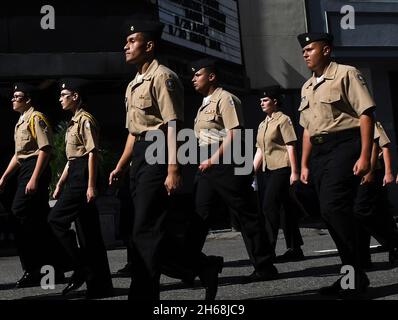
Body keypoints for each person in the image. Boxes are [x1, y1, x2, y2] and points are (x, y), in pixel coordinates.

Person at [185, 58, 278, 291]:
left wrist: (213, 160)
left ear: (212, 76)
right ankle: (189, 268)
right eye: (193, 75)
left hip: (227, 161)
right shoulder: (204, 104)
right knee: (199, 215)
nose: (193, 78)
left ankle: (265, 266)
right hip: (207, 163)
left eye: (198, 74)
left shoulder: (225, 99)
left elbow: (234, 134)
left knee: (246, 216)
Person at [108, 20, 184, 300]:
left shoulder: (163, 77)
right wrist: (120, 165)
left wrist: (173, 168)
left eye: (132, 41)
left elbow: (173, 124)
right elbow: (133, 132)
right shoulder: (133, 84)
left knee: (146, 227)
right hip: (140, 154)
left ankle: (144, 296)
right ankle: (200, 265)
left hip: (159, 149)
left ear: (149, 46)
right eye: (126, 42)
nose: (125, 46)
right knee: (140, 226)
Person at [297, 32, 375, 297]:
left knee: (332, 208)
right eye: (303, 50)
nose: (305, 53)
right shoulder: (307, 87)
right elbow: (307, 130)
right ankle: (352, 275)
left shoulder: (346, 74)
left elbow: (365, 114)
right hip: (319, 152)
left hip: (345, 145)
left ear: (326, 50)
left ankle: (355, 276)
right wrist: (304, 164)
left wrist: (365, 155)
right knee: (331, 212)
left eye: (310, 49)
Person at [48, 78, 113, 299]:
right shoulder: (73, 122)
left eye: (63, 95)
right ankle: (100, 286)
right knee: (89, 232)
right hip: (75, 172)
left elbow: (92, 153)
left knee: (55, 220)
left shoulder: (86, 120)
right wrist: (59, 183)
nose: (60, 99)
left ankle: (81, 267)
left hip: (84, 175)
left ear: (75, 96)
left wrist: (91, 185)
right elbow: (70, 159)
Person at [0, 83, 66, 287]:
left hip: (35, 168)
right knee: (39, 221)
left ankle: (34, 268)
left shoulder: (36, 118)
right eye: (12, 96)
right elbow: (19, 155)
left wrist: (35, 178)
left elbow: (45, 149)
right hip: (25, 169)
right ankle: (52, 270)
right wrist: (3, 178)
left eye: (17, 96)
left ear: (28, 99)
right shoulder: (20, 122)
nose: (13, 99)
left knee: (19, 213)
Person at [253, 85, 304, 262]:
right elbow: (260, 150)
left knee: (269, 206)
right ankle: (295, 248)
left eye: (265, 100)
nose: (262, 103)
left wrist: (295, 171)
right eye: (260, 101)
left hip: (283, 169)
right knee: (286, 209)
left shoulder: (284, 120)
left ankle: (268, 250)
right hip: (269, 170)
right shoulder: (262, 124)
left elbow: (291, 145)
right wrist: (251, 172)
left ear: (275, 102)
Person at [355, 121, 398, 268]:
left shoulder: (371, 122)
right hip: (353, 172)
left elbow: (383, 147)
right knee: (368, 212)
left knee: (366, 211)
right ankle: (363, 258)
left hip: (373, 172)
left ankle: (393, 241)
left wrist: (388, 172)